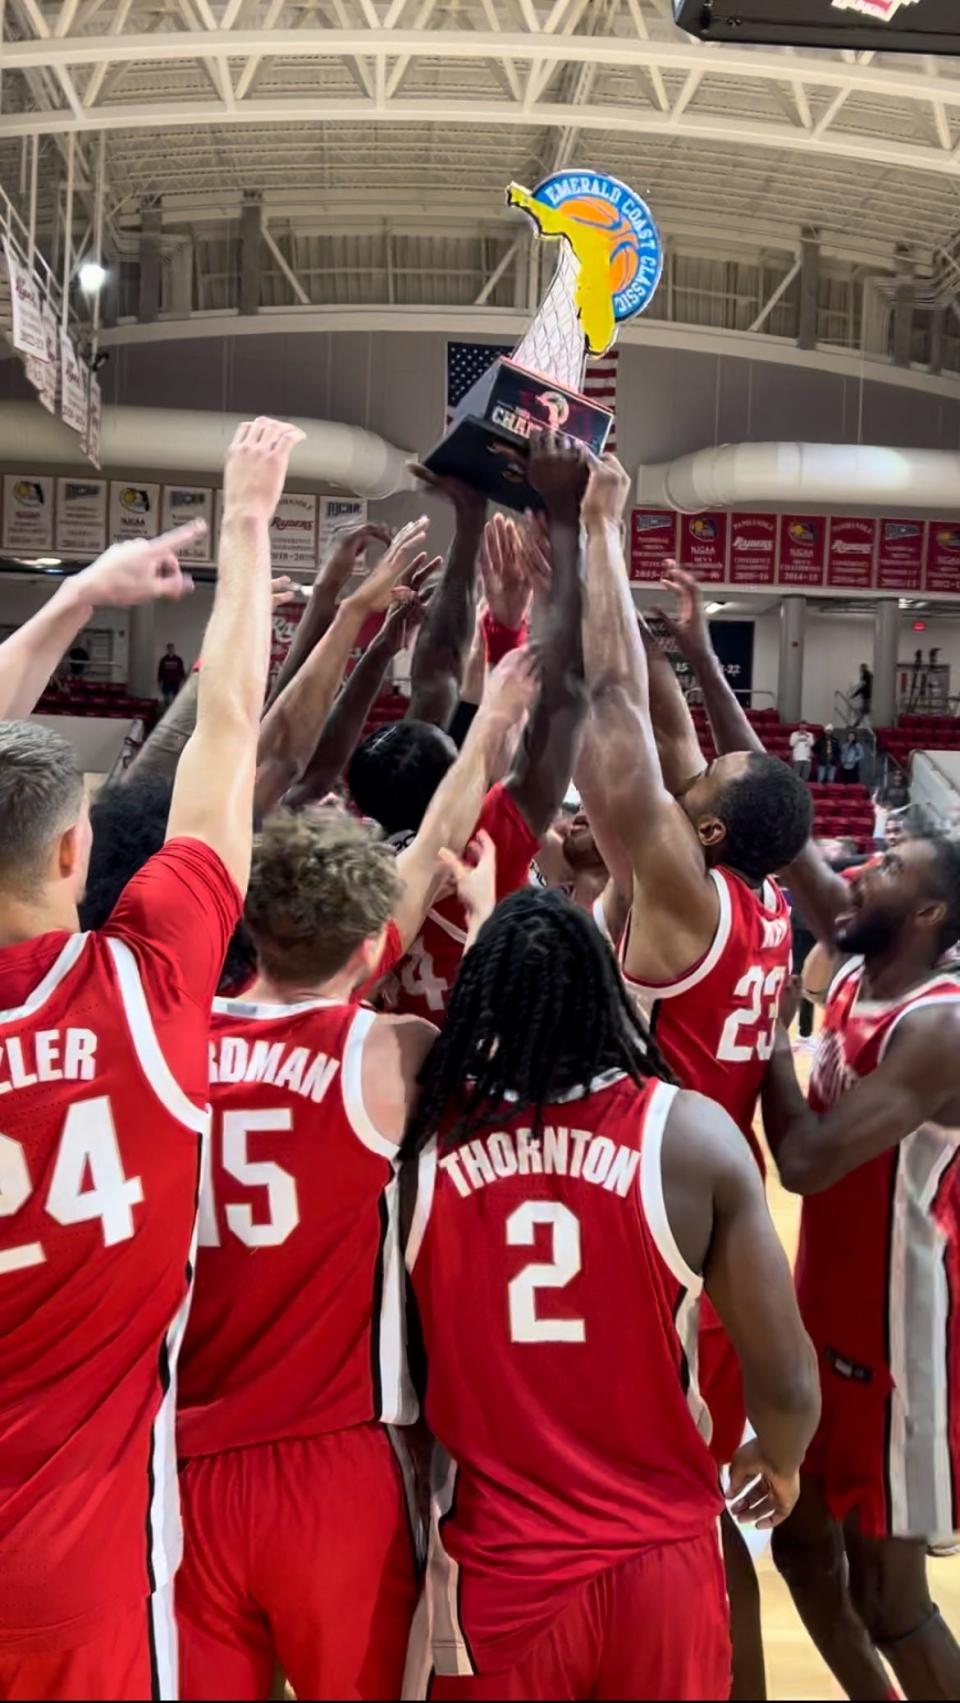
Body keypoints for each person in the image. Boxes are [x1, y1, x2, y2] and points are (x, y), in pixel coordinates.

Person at [0, 414, 303, 1702]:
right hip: (80, 1569)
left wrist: (70, 597)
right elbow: (231, 729)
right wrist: (245, 525)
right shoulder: (150, 980)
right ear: (78, 856)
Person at [401, 887, 820, 1703]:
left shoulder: (422, 1137)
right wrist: (782, 1458)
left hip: (501, 1561)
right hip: (659, 1560)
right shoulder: (691, 1134)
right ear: (605, 990)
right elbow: (789, 1381)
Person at [573, 516, 813, 1699]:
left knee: (664, 1522)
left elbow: (614, 716)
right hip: (720, 1215)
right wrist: (685, 648)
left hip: (651, 1235)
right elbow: (670, 731)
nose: (690, 773)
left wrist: (597, 527)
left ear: (705, 829)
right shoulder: (763, 905)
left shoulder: (681, 894)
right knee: (708, 1525)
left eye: (700, 789)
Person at [175, 811, 440, 1701]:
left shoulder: (169, 1042)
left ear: (251, 924)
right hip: (337, 1463)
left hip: (185, 1463)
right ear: (373, 948)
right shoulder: (394, 1050)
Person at [762, 833, 960, 1703]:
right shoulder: (854, 969)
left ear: (928, 913)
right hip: (820, 1315)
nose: (862, 871)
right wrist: (662, 694)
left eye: (889, 868)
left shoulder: (940, 1024)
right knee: (801, 1546)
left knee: (892, 1598)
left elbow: (804, 1162)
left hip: (899, 1344)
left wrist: (767, 1037)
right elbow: (784, 841)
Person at [350, 429, 589, 1021]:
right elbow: (566, 703)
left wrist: (503, 624)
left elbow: (433, 685)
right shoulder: (485, 845)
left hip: (391, 1080)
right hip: (485, 1079)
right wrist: (564, 529)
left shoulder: (361, 866)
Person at [157, 641, 186, 708]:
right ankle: (166, 709)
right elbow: (160, 671)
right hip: (166, 681)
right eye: (169, 648)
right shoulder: (163, 660)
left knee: (175, 698)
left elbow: (181, 670)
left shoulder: (178, 659)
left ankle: (173, 710)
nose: (171, 650)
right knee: (166, 697)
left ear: (174, 649)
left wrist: (182, 680)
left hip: (175, 681)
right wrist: (159, 682)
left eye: (172, 648)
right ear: (167, 649)